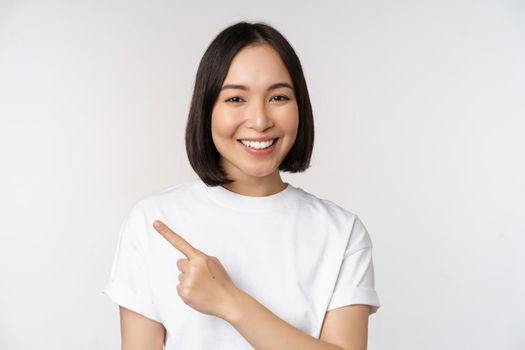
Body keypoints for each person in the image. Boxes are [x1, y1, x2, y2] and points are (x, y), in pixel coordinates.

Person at [102, 21, 381, 350]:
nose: (260, 121)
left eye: (278, 97)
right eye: (236, 98)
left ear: (300, 107)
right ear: (207, 110)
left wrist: (230, 302)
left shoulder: (341, 232)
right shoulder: (154, 221)